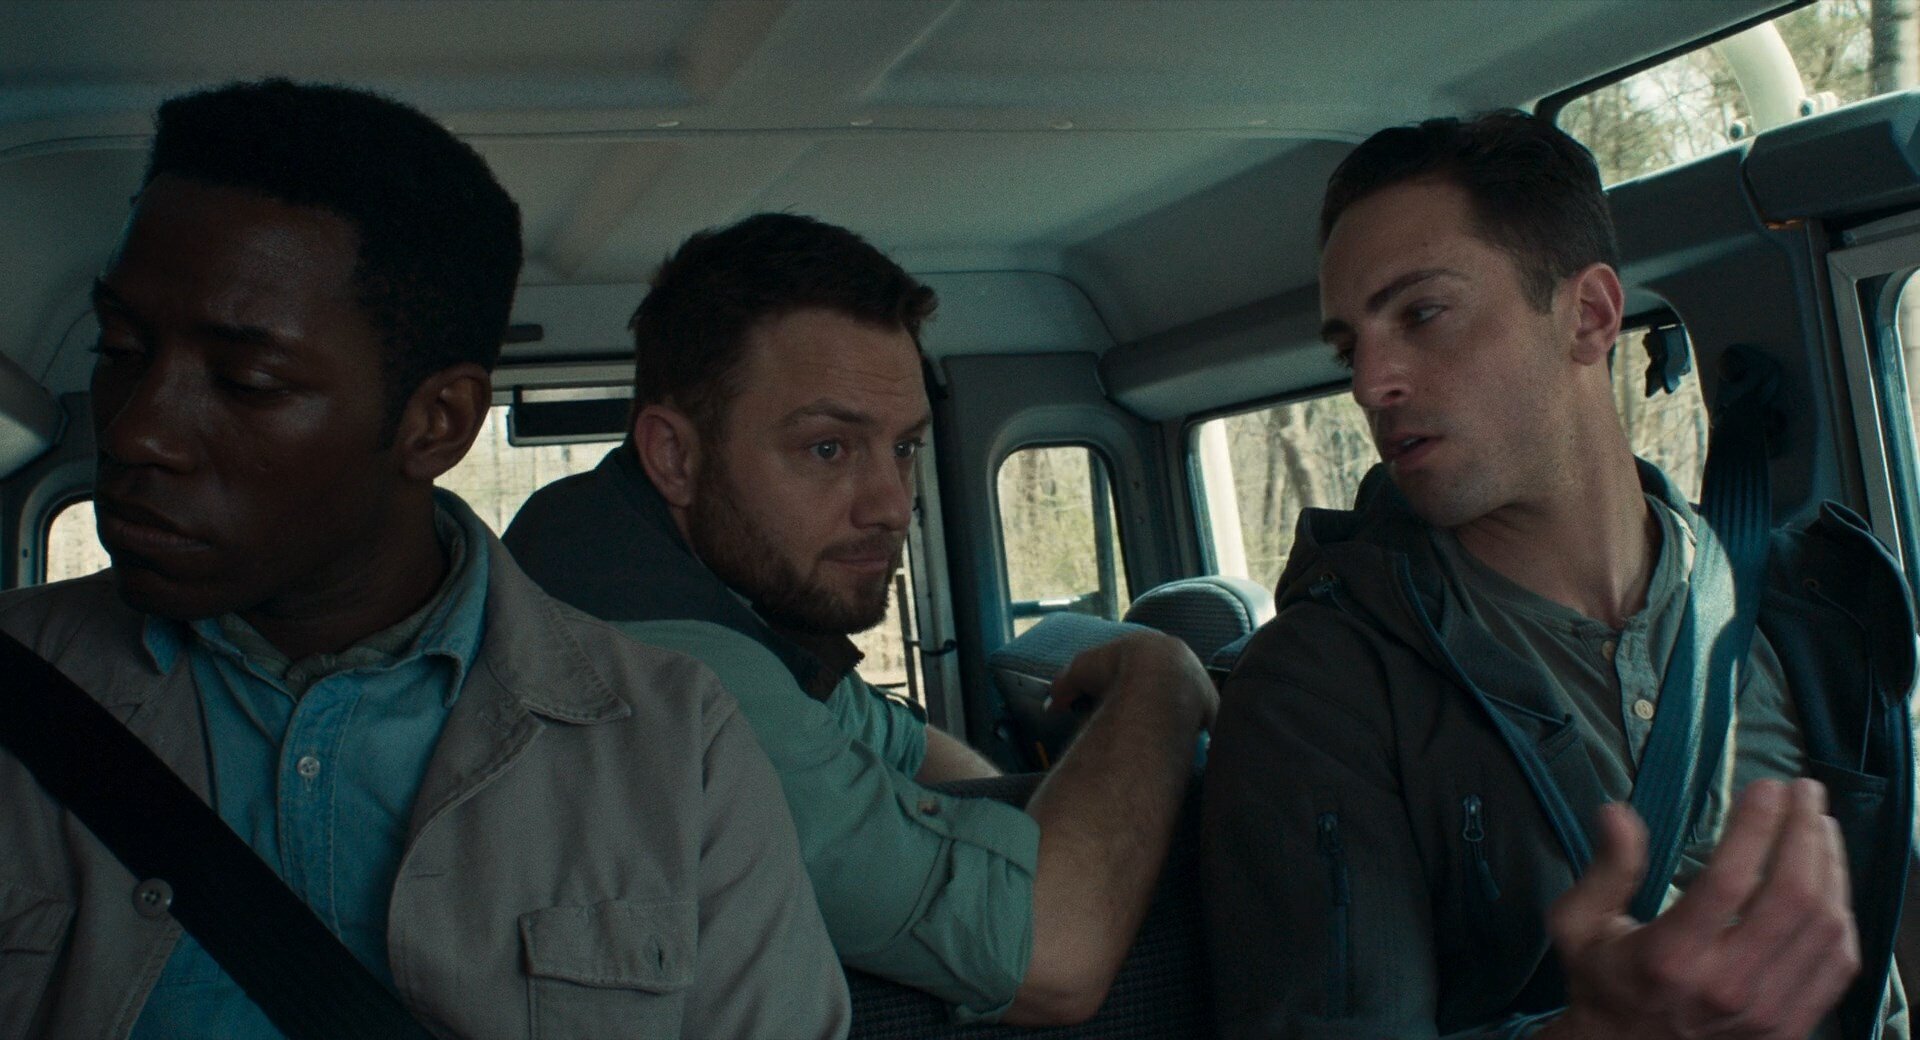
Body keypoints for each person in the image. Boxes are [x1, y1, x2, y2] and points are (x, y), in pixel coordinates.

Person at [0, 79, 847, 1040]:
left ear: (435, 424)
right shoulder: (18, 678)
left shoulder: (677, 746)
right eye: (120, 348)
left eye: (247, 381)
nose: (137, 430)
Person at [1201, 110, 1915, 1040]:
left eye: (1421, 314)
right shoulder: (1315, 688)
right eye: (1349, 348)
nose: (1371, 384)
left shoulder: (1809, 607)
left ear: (1589, 316)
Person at [503, 211, 1218, 1025]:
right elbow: (1051, 955)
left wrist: (954, 839)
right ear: (674, 455)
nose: (892, 506)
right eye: (828, 449)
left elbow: (905, 746)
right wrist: (1160, 675)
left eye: (904, 448)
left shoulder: (650, 559)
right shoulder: (661, 664)